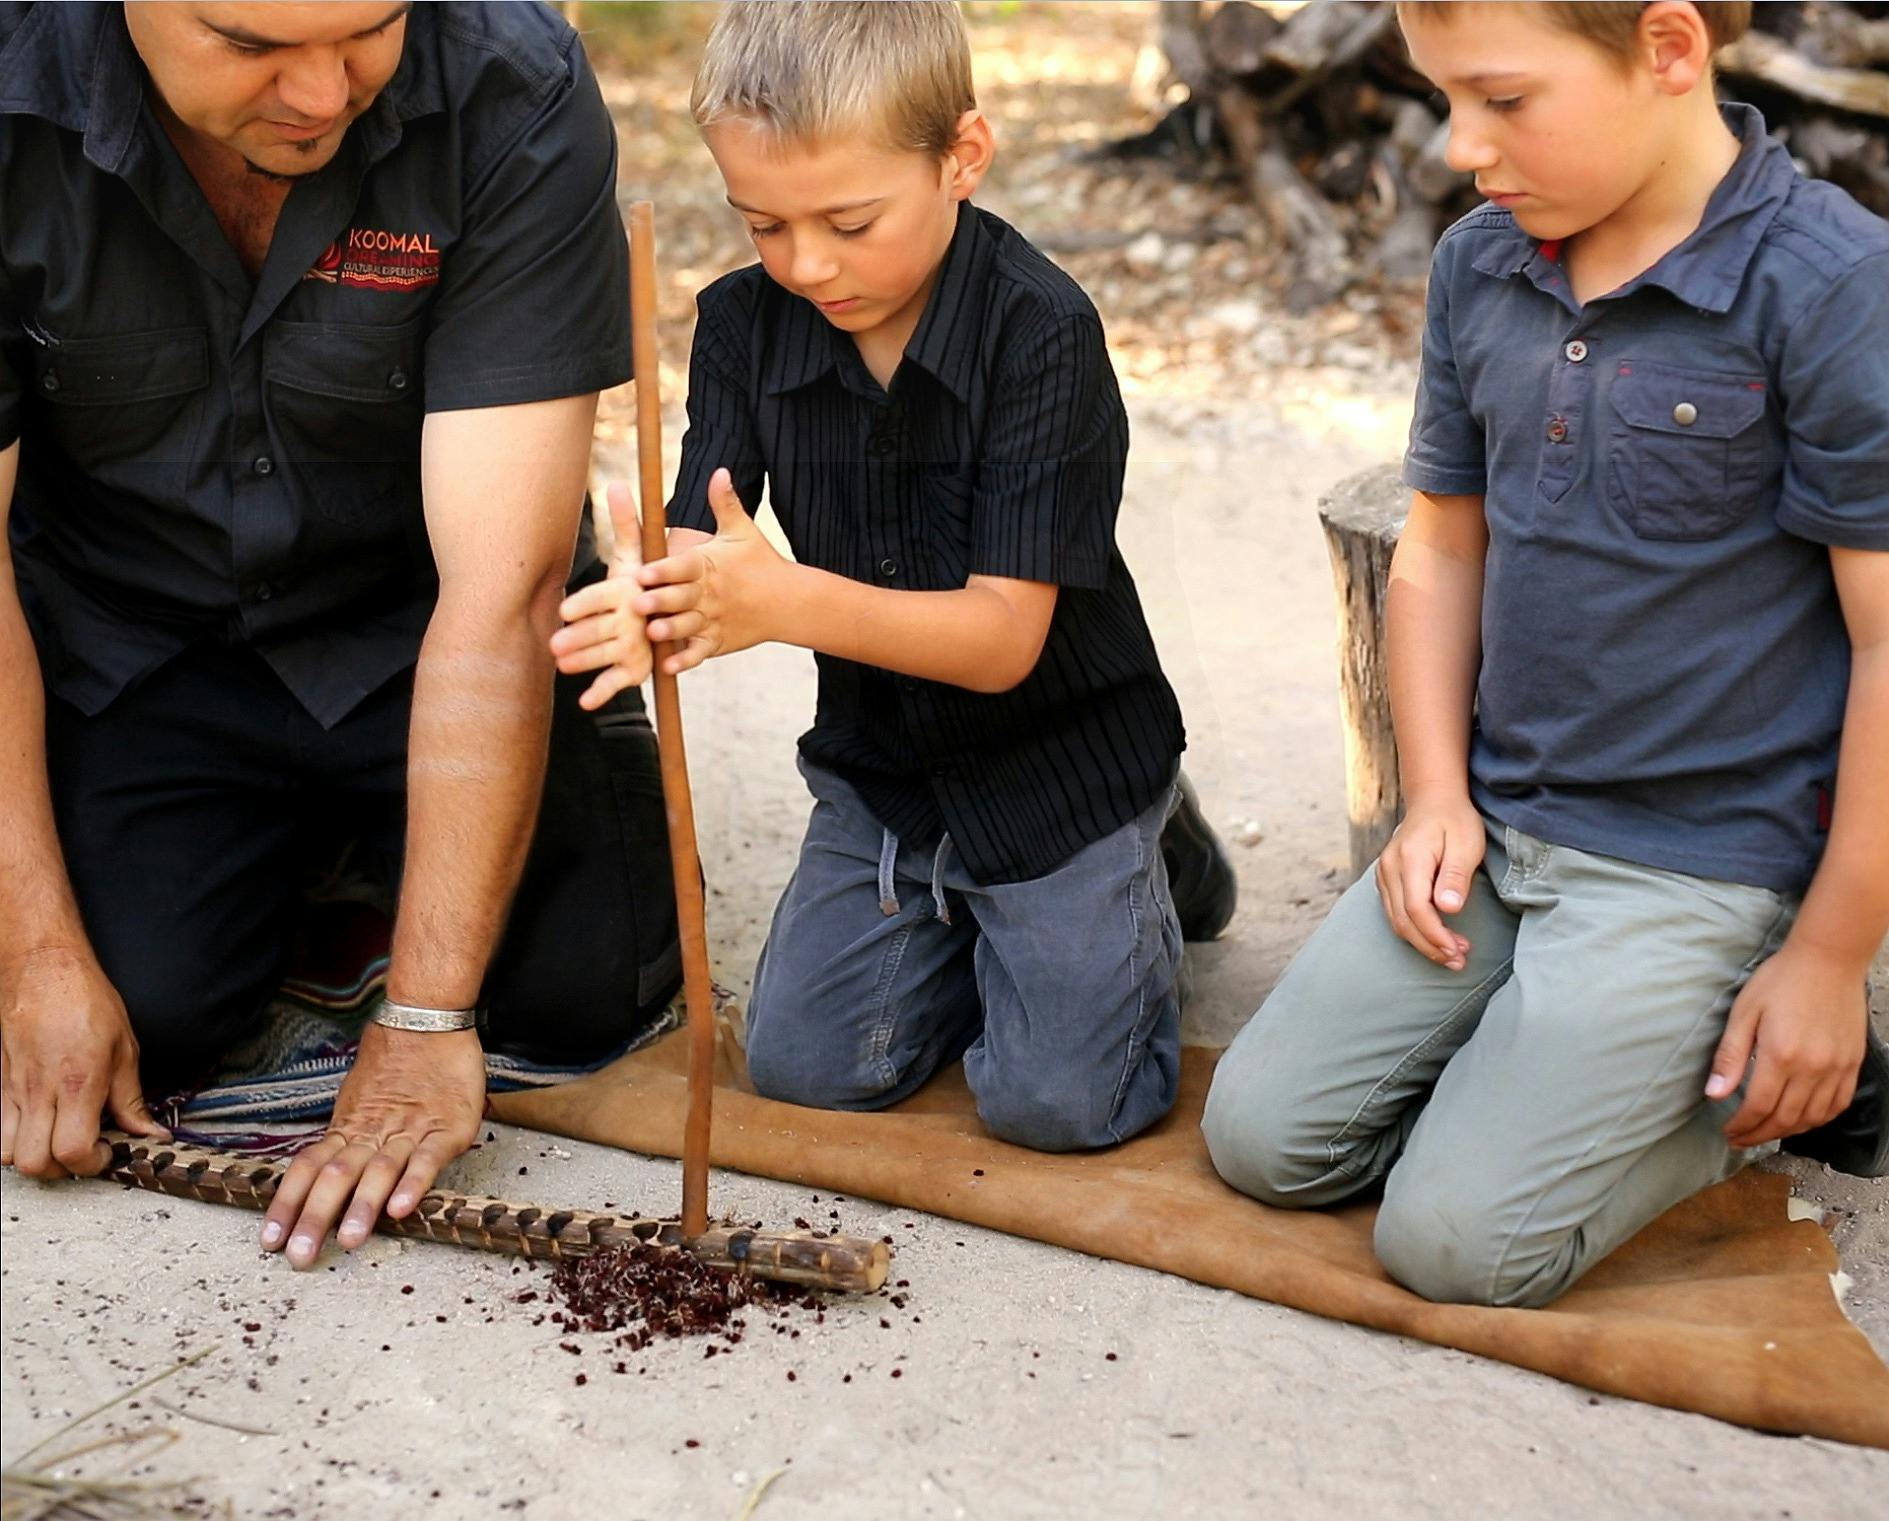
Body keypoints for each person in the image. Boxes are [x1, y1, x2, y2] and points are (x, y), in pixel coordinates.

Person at [1203, 0, 1889, 1309]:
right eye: (1443, 99)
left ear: (1667, 51)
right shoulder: (1480, 263)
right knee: (1264, 1141)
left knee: (1453, 1247)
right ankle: (1549, 1082)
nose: (1459, 147)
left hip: (1695, 866)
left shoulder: (1832, 284)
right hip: (1499, 822)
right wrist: (1433, 800)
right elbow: (1440, 549)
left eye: (1503, 100)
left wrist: (1825, 957)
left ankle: (1758, 1099)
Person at [0, 2, 679, 1267]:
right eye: (251, 45)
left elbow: (504, 588)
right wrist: (34, 957)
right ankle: (315, 874)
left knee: (586, 992)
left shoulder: (511, 84)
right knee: (137, 1016)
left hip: (420, 624)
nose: (323, 94)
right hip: (136, 638)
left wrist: (423, 1019)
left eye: (369, 27)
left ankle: (364, 897)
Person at [555, 0, 1236, 1152]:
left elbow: (1001, 641)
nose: (806, 263)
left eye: (849, 221)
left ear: (960, 157)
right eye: (762, 223)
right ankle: (993, 932)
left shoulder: (1042, 332)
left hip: (1060, 769)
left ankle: (1151, 844)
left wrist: (785, 602)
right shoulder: (743, 325)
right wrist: (647, 590)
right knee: (805, 1069)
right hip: (886, 777)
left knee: (1061, 1106)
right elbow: (704, 534)